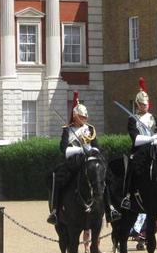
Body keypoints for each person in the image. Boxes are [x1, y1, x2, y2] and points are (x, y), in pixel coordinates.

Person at [47, 93, 119, 224]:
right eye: (81, 117)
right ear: (75, 116)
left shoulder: (90, 129)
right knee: (58, 179)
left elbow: (96, 146)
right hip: (74, 161)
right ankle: (55, 211)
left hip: (90, 160)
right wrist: (80, 150)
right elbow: (63, 149)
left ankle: (110, 209)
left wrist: (91, 151)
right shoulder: (67, 130)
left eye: (85, 117)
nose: (84, 119)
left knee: (104, 178)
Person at [120, 77, 157, 209]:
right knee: (132, 168)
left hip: (155, 149)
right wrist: (151, 139)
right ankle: (128, 195)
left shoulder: (153, 117)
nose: (145, 106)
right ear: (137, 104)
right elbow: (135, 139)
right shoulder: (132, 119)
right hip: (140, 150)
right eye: (142, 104)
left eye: (146, 104)